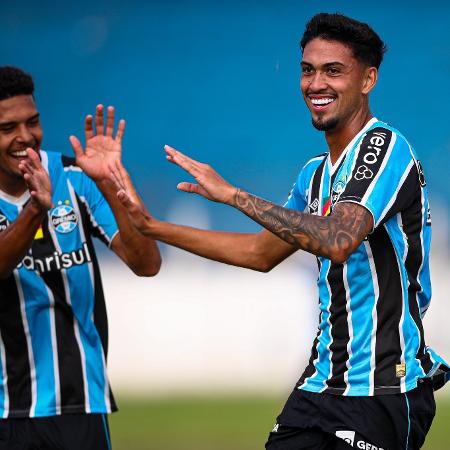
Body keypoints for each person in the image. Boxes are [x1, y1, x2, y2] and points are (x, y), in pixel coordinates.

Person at [114, 13, 449, 449]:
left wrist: (234, 196)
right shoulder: (314, 174)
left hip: (383, 388)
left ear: (368, 80)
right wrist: (153, 227)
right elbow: (259, 253)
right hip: (320, 386)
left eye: (333, 70)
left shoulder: (384, 147)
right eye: (308, 70)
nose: (315, 84)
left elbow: (337, 240)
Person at [0, 66, 161, 449]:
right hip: (5, 408)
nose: (26, 137)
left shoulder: (74, 178)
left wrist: (111, 181)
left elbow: (146, 263)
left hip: (80, 404)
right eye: (8, 128)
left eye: (33, 122)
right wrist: (35, 211)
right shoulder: (39, 200)